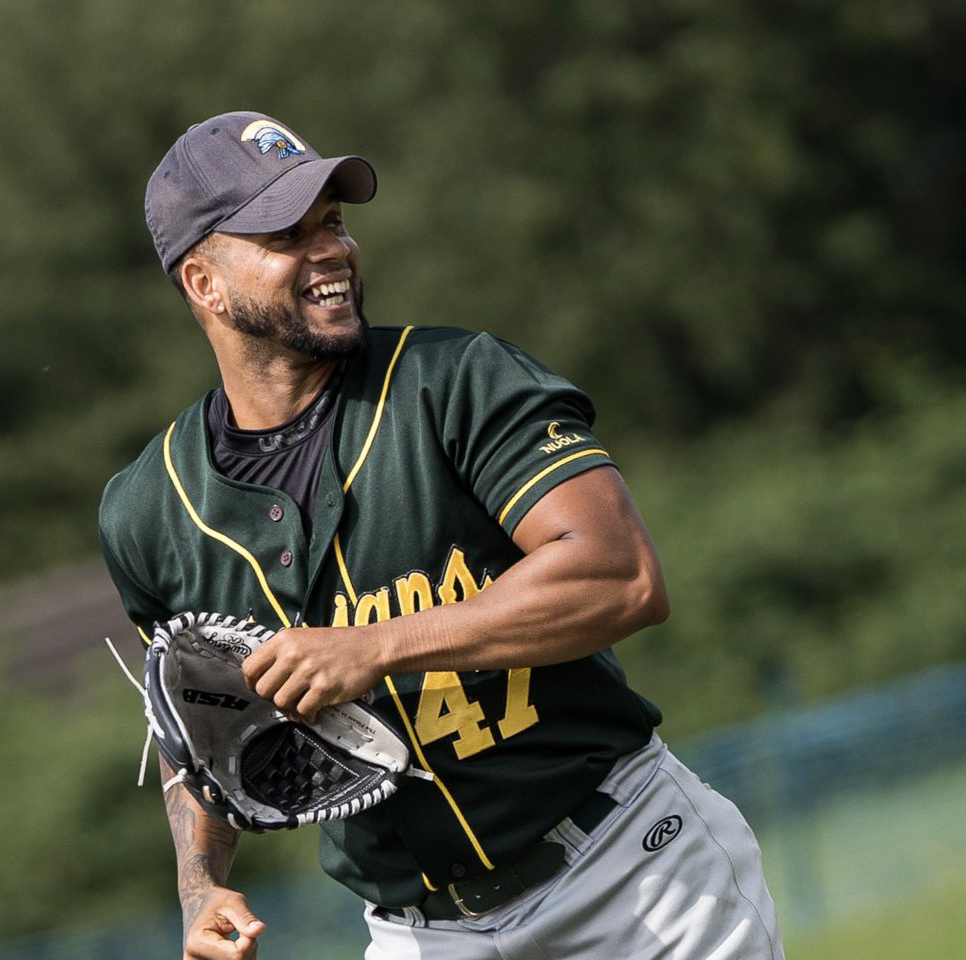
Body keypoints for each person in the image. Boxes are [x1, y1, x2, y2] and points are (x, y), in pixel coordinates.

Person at [98, 111, 785, 960]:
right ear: (203, 282)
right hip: (421, 934)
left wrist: (375, 646)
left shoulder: (455, 380)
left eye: (334, 223)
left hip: (631, 878)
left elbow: (621, 578)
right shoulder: (149, 510)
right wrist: (199, 888)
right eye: (286, 233)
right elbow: (194, 717)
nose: (331, 251)